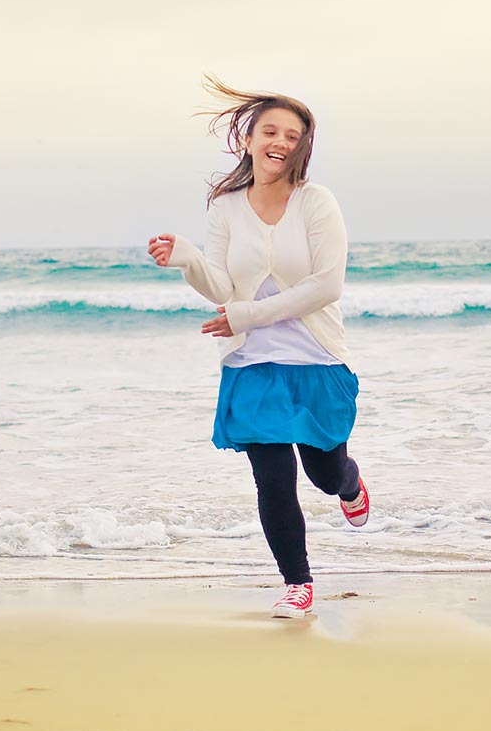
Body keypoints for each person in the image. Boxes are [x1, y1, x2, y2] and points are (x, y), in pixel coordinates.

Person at [148, 78, 370, 619]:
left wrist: (245, 314)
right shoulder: (225, 207)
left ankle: (351, 483)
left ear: (303, 147)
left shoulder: (316, 202)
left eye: (293, 136)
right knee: (273, 479)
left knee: (323, 473)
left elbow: (326, 285)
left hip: (316, 359)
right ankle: (298, 583)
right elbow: (223, 289)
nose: (280, 142)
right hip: (252, 363)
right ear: (249, 137)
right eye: (270, 130)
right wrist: (188, 259)